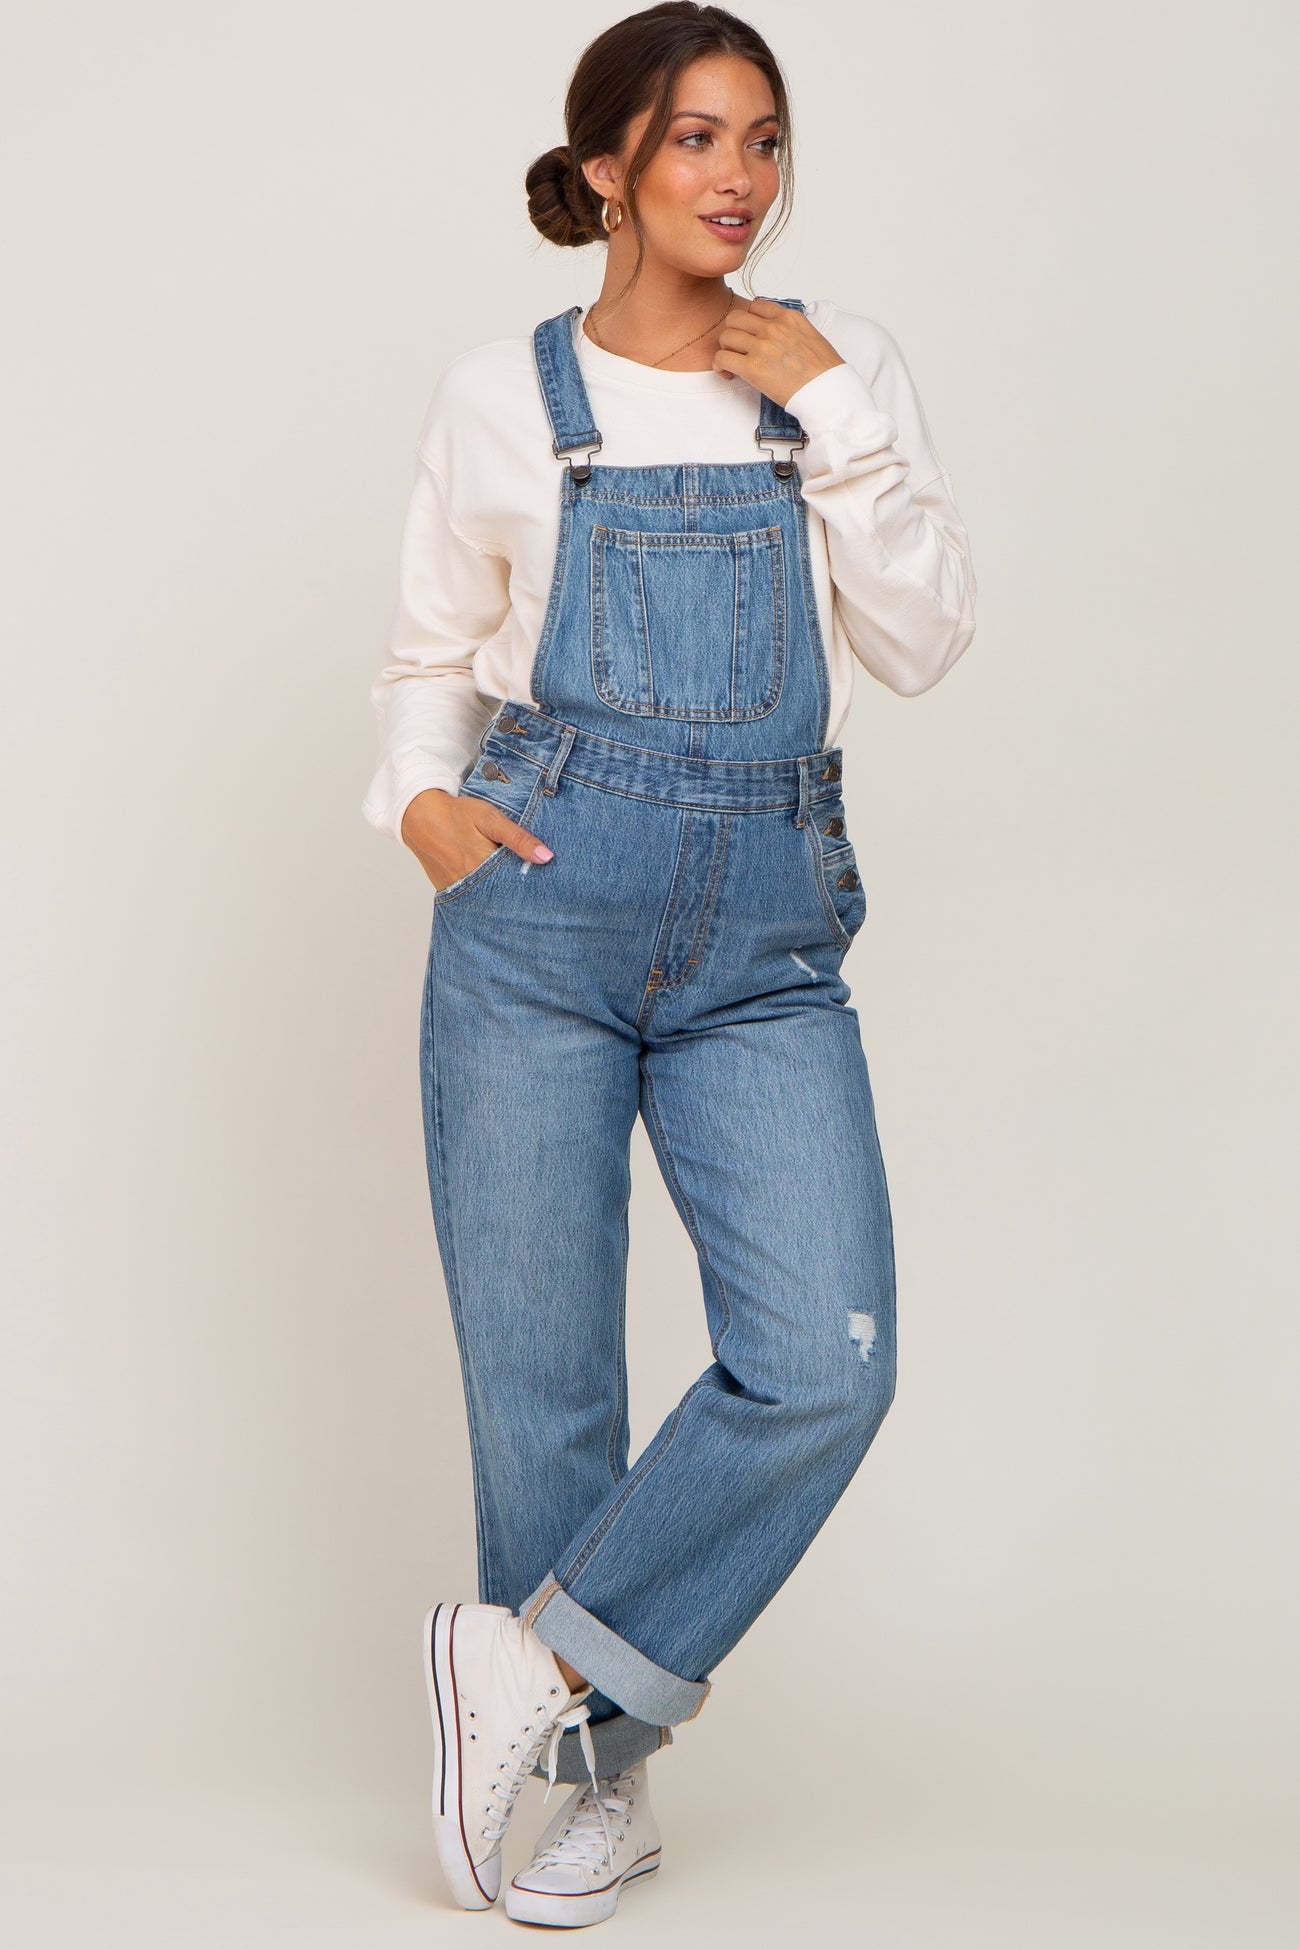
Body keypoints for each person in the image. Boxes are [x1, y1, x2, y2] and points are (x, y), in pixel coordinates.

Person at [361, 2, 977, 1926]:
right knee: (541, 1384)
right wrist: (420, 802)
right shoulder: (500, 391)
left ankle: (530, 1675)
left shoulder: (835, 366)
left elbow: (925, 639)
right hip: (536, 919)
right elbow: (427, 655)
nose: (741, 178)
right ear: (607, 170)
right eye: (698, 139)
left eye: (766, 139)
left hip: (767, 940)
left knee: (824, 1361)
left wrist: (839, 417)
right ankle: (582, 1800)